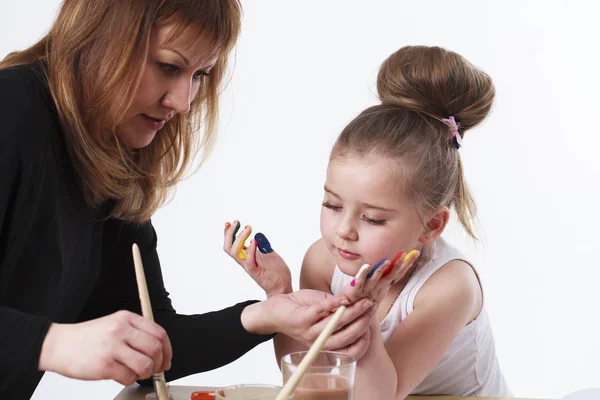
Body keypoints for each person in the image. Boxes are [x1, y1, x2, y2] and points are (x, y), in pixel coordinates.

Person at [0, 1, 375, 398]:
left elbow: (151, 343)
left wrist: (263, 316)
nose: (183, 102)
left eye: (201, 74)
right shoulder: (10, 110)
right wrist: (51, 343)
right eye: (167, 66)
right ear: (101, 38)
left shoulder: (109, 161)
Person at [225, 45, 512, 399]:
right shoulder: (322, 261)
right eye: (331, 204)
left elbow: (376, 397)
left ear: (431, 227)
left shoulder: (450, 286)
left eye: (373, 219)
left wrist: (365, 317)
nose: (343, 230)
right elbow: (308, 381)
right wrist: (281, 295)